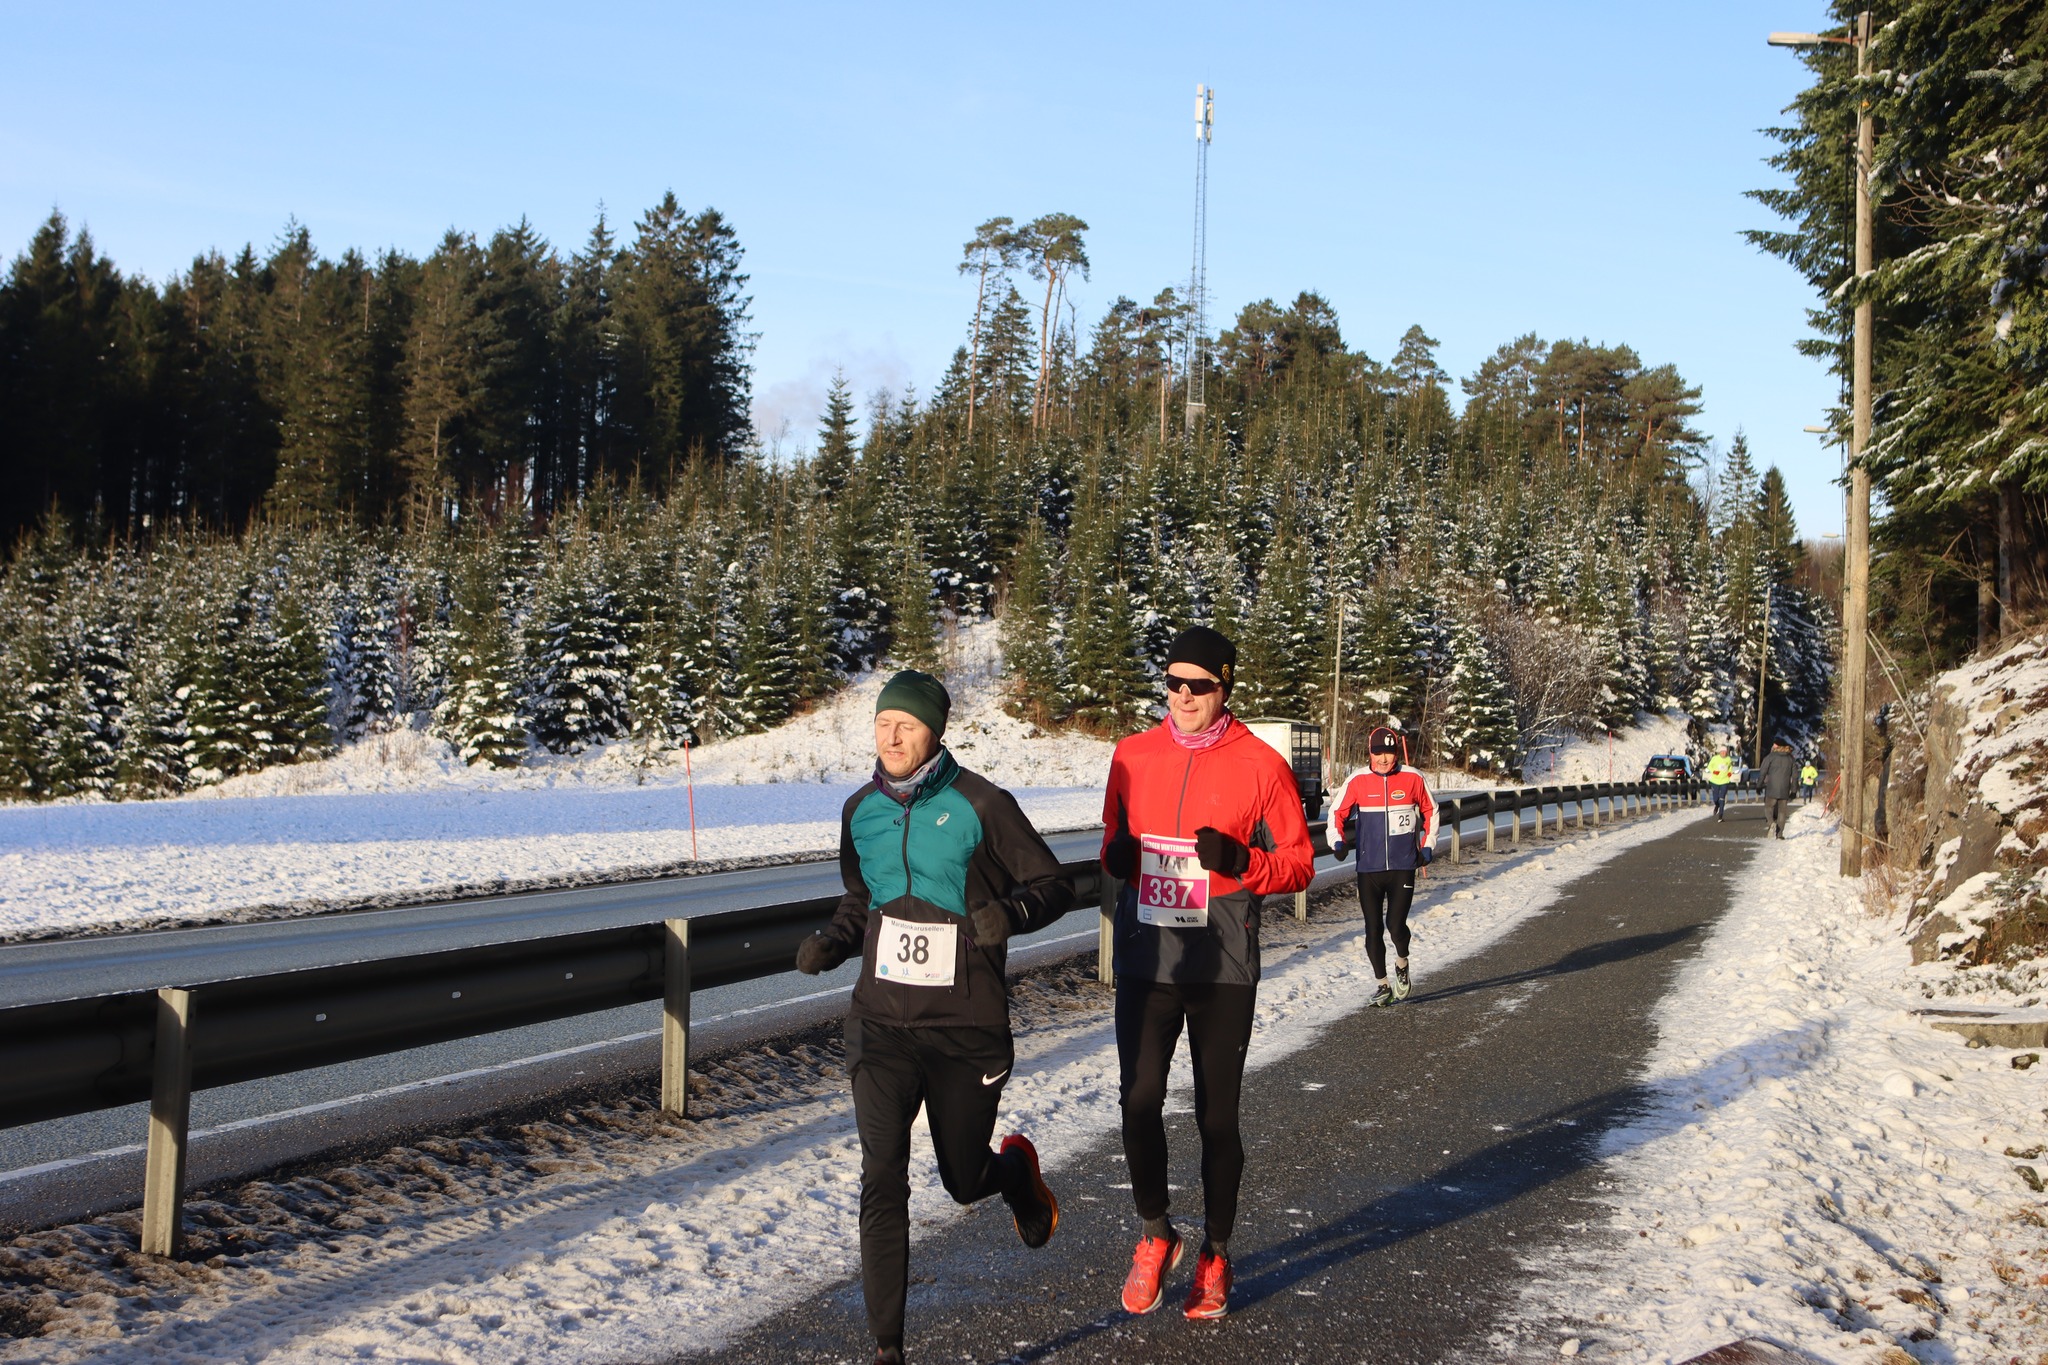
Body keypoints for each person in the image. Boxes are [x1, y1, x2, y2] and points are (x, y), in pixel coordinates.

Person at [794, 669, 1074, 1365]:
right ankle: (888, 1348)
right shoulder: (860, 809)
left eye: (908, 725)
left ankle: (1014, 1175)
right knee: (882, 1177)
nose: (892, 737)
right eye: (883, 723)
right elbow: (863, 896)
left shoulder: (982, 803)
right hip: (880, 1024)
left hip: (964, 1028)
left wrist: (1009, 913)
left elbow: (1055, 884)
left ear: (935, 732)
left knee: (961, 1180)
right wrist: (835, 939)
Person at [1101, 626, 1315, 1321]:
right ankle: (1155, 1233)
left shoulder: (1261, 765)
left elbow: (1300, 862)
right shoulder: (1131, 755)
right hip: (1149, 955)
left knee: (1216, 1116)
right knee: (1138, 1100)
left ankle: (1216, 1252)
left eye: (1199, 685)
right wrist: (1116, 858)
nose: (1184, 696)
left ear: (1225, 689)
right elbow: (1111, 839)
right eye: (1173, 682)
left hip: (1221, 960)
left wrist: (1243, 861)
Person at [1329, 725, 1437, 1007]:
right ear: (1370, 753)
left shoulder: (1413, 778)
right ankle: (1382, 985)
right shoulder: (1358, 780)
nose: (1383, 759)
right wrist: (1337, 841)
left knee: (1395, 925)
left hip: (1403, 865)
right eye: (1378, 753)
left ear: (1396, 753)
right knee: (1373, 928)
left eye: (1388, 753)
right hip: (1369, 869)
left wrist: (1428, 844)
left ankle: (1402, 963)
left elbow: (1431, 810)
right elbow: (1336, 813)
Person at [1759, 739, 1798, 839]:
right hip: (1785, 789)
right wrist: (1794, 791)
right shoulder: (1790, 758)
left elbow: (1763, 771)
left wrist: (1759, 785)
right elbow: (1795, 776)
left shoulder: (1770, 757)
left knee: (1768, 807)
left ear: (1777, 746)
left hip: (1771, 788)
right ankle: (1779, 834)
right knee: (1782, 812)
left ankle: (1771, 823)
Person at [1703, 745, 1738, 822]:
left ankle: (1720, 816)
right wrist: (1713, 771)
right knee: (1716, 798)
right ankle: (1717, 805)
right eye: (1722, 752)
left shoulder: (1728, 759)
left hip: (1725, 781)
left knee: (1722, 798)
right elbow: (1709, 767)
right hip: (1715, 781)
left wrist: (1730, 773)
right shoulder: (1715, 758)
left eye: (1725, 752)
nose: (1723, 753)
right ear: (1720, 752)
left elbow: (1730, 767)